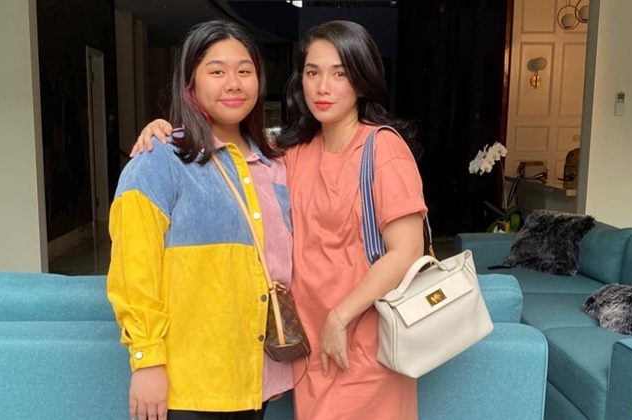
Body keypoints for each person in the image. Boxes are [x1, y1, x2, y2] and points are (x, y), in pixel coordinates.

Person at [135, 20, 427, 420]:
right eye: (312, 72)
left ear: (362, 80)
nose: (323, 87)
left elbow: (407, 251)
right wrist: (165, 130)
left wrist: (340, 317)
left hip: (363, 343)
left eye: (340, 73)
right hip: (306, 347)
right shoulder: (290, 151)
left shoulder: (383, 148)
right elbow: (231, 149)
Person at [107, 20, 294, 420]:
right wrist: (146, 360)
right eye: (217, 71)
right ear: (190, 82)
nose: (233, 84)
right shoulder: (159, 161)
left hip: (255, 378)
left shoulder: (275, 165)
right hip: (189, 384)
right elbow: (132, 272)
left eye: (244, 71)